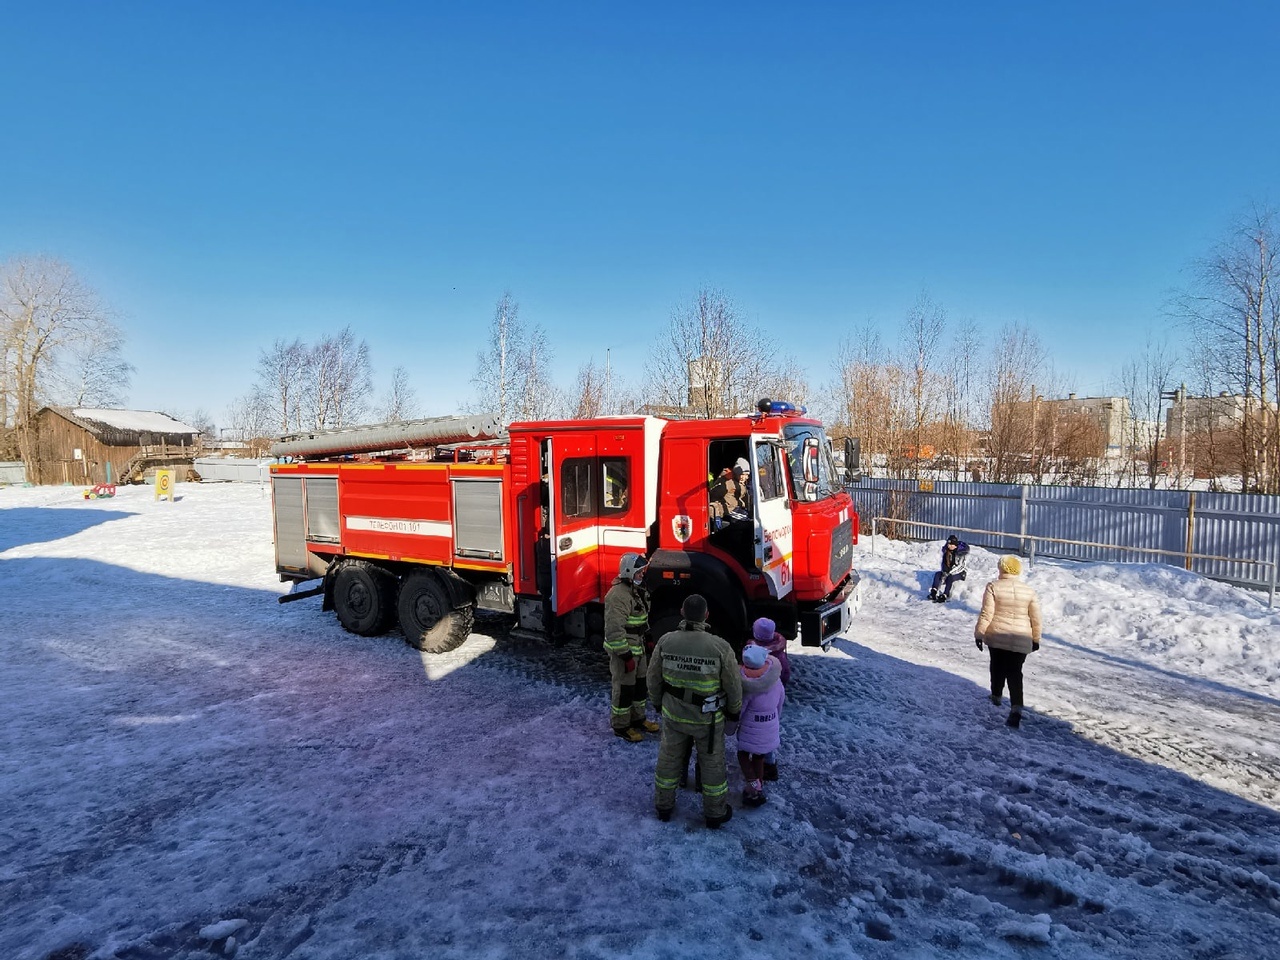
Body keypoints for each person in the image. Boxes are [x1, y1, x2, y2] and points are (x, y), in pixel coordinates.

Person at [648, 593, 743, 828]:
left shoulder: (666, 641)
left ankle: (664, 806)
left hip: (673, 715)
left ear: (682, 612)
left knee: (669, 760)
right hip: (707, 721)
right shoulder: (719, 647)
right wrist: (734, 711)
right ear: (706, 615)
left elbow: (653, 678)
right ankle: (715, 813)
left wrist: (658, 703)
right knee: (712, 765)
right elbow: (733, 684)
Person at [974, 555, 1042, 729]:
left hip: (998, 636)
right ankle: (1016, 708)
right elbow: (1036, 618)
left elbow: (986, 613)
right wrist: (1036, 638)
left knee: (997, 666)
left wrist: (979, 633)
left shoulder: (993, 587)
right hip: (1022, 638)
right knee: (1015, 672)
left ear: (1001, 569)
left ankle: (996, 696)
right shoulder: (1029, 591)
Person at [602, 552, 657, 742]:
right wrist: (625, 656)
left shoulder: (635, 590)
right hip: (625, 650)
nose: (643, 575)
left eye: (643, 571)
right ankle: (621, 726)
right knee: (624, 689)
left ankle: (638, 719)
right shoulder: (618, 596)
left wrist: (647, 636)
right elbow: (614, 630)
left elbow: (641, 617)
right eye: (640, 572)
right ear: (628, 572)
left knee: (640, 687)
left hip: (638, 646)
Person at [735, 641, 785, 807]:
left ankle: (753, 784)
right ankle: (760, 784)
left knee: (743, 755)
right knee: (759, 757)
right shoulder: (776, 681)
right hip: (769, 728)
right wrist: (775, 720)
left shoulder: (748, 688)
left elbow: (740, 710)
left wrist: (732, 725)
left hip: (750, 731)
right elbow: (780, 703)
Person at [749, 617, 790, 781]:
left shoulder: (752, 653)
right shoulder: (779, 654)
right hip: (773, 697)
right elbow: (786, 673)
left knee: (756, 730)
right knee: (769, 729)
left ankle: (762, 764)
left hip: (756, 696)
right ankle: (770, 763)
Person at [929, 534, 970, 603]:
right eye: (948, 544)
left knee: (950, 577)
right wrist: (944, 571)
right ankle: (934, 591)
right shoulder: (947, 552)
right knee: (938, 574)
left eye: (951, 545)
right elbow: (944, 563)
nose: (949, 546)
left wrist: (949, 573)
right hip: (949, 571)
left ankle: (945, 594)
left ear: (955, 545)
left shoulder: (961, 554)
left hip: (960, 573)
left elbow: (961, 566)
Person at [709, 458, 750, 524]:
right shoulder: (727, 482)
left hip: (737, 508)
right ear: (737, 473)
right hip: (728, 511)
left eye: (747, 475)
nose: (746, 477)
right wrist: (716, 515)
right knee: (747, 523)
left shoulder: (739, 482)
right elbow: (713, 498)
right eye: (743, 474)